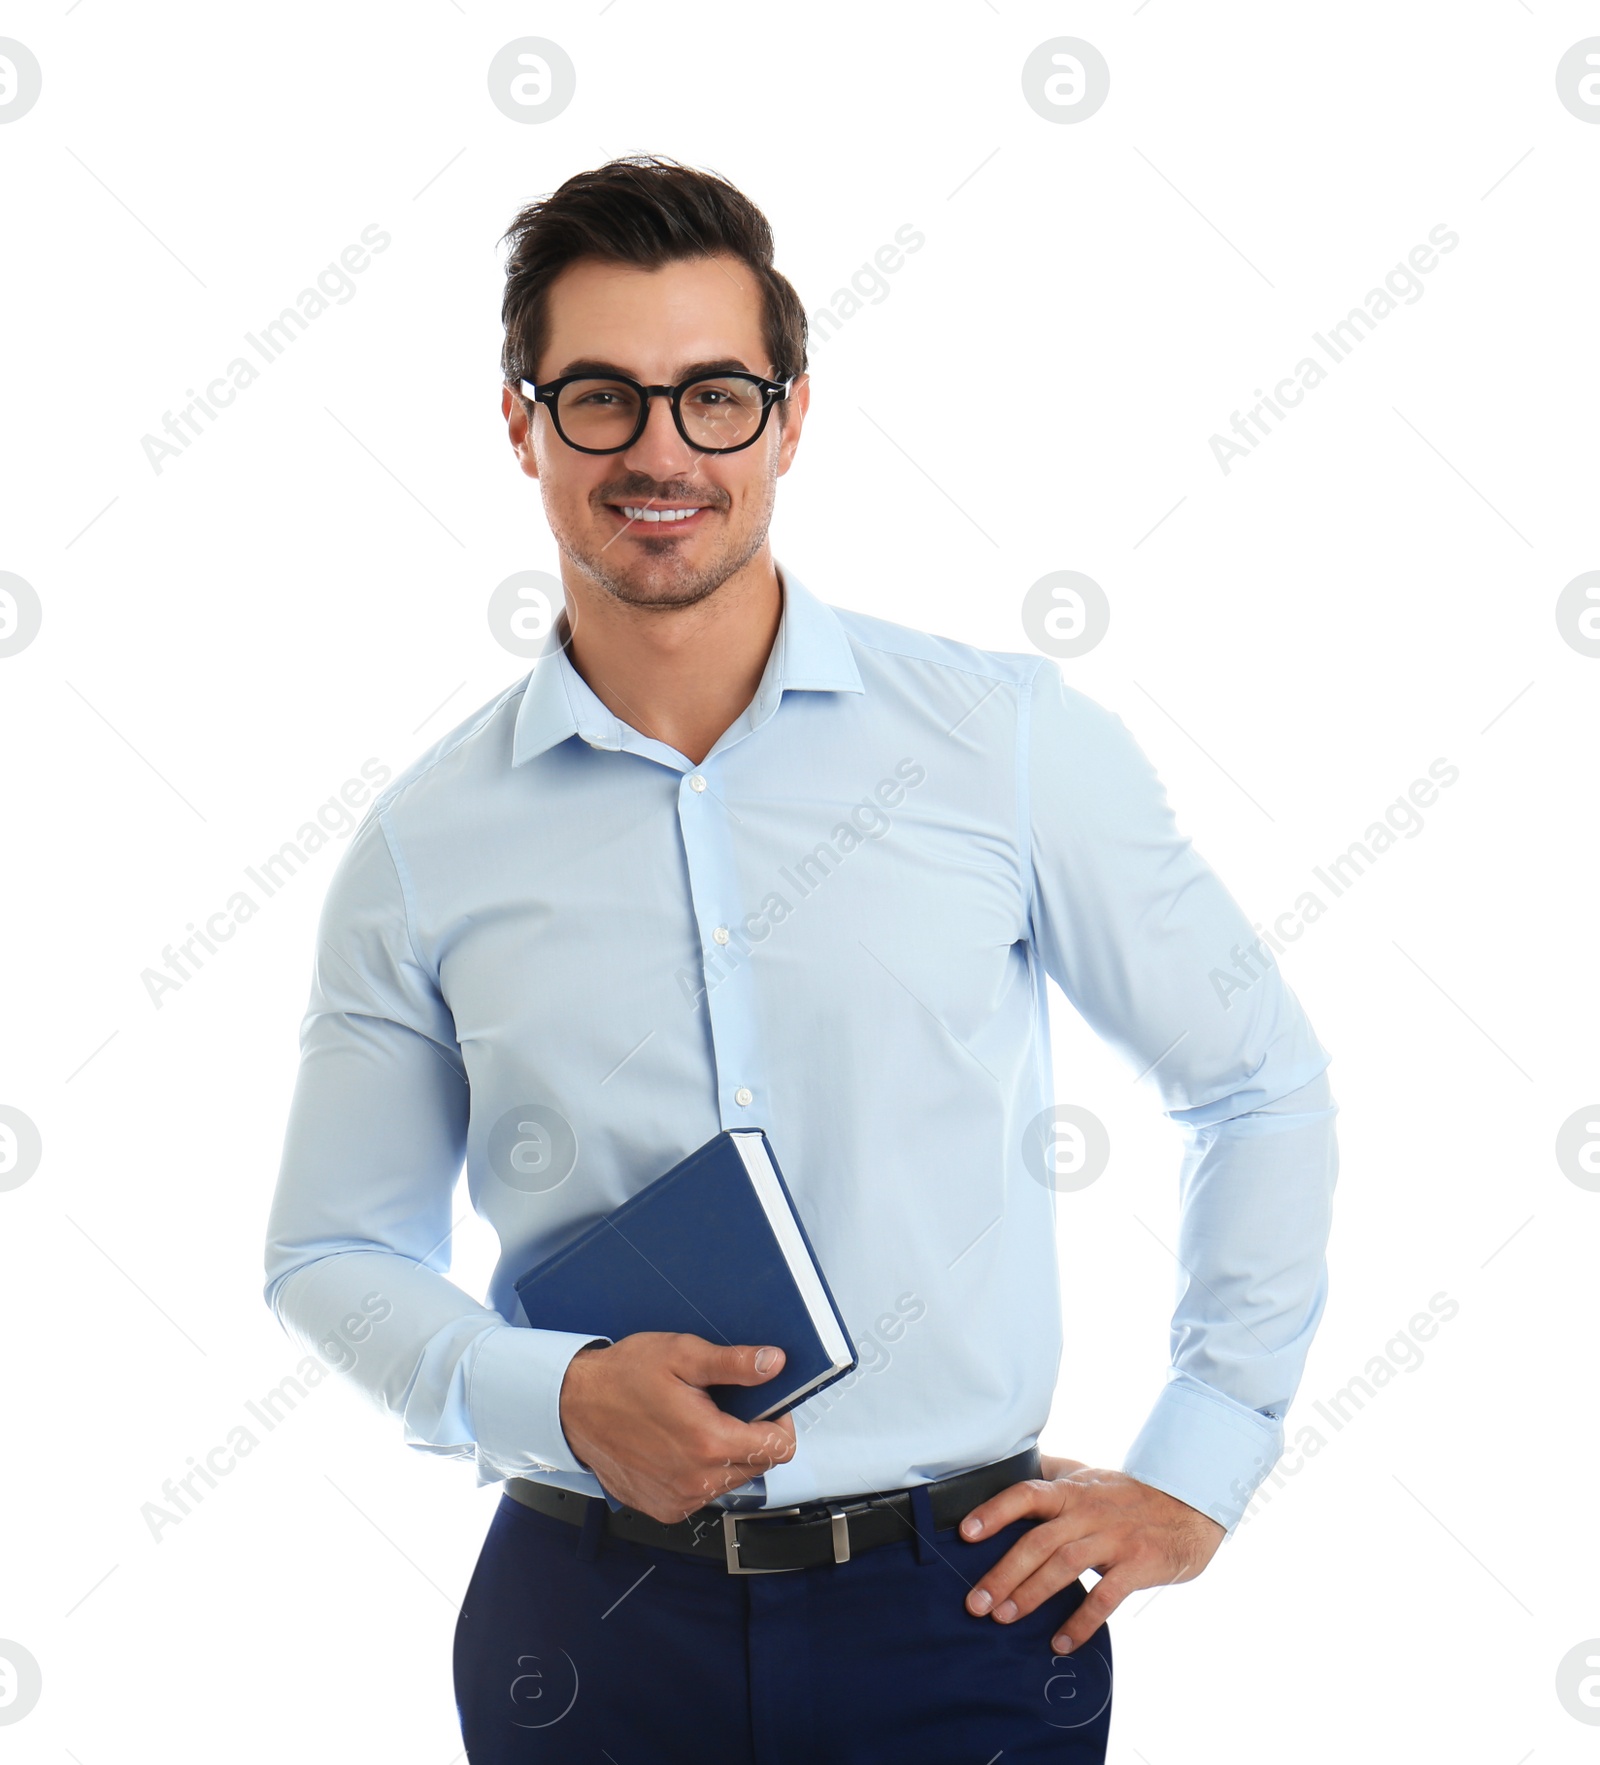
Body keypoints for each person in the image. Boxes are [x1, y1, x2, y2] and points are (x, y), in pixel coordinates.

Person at [263, 154, 1338, 1763]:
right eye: (600, 399)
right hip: (588, 1631)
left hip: (965, 1615)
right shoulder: (424, 845)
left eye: (713, 395)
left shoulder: (1005, 746)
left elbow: (1256, 1081)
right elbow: (329, 1253)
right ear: (521, 424)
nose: (659, 451)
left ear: (789, 414)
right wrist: (552, 1398)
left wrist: (1203, 1456)